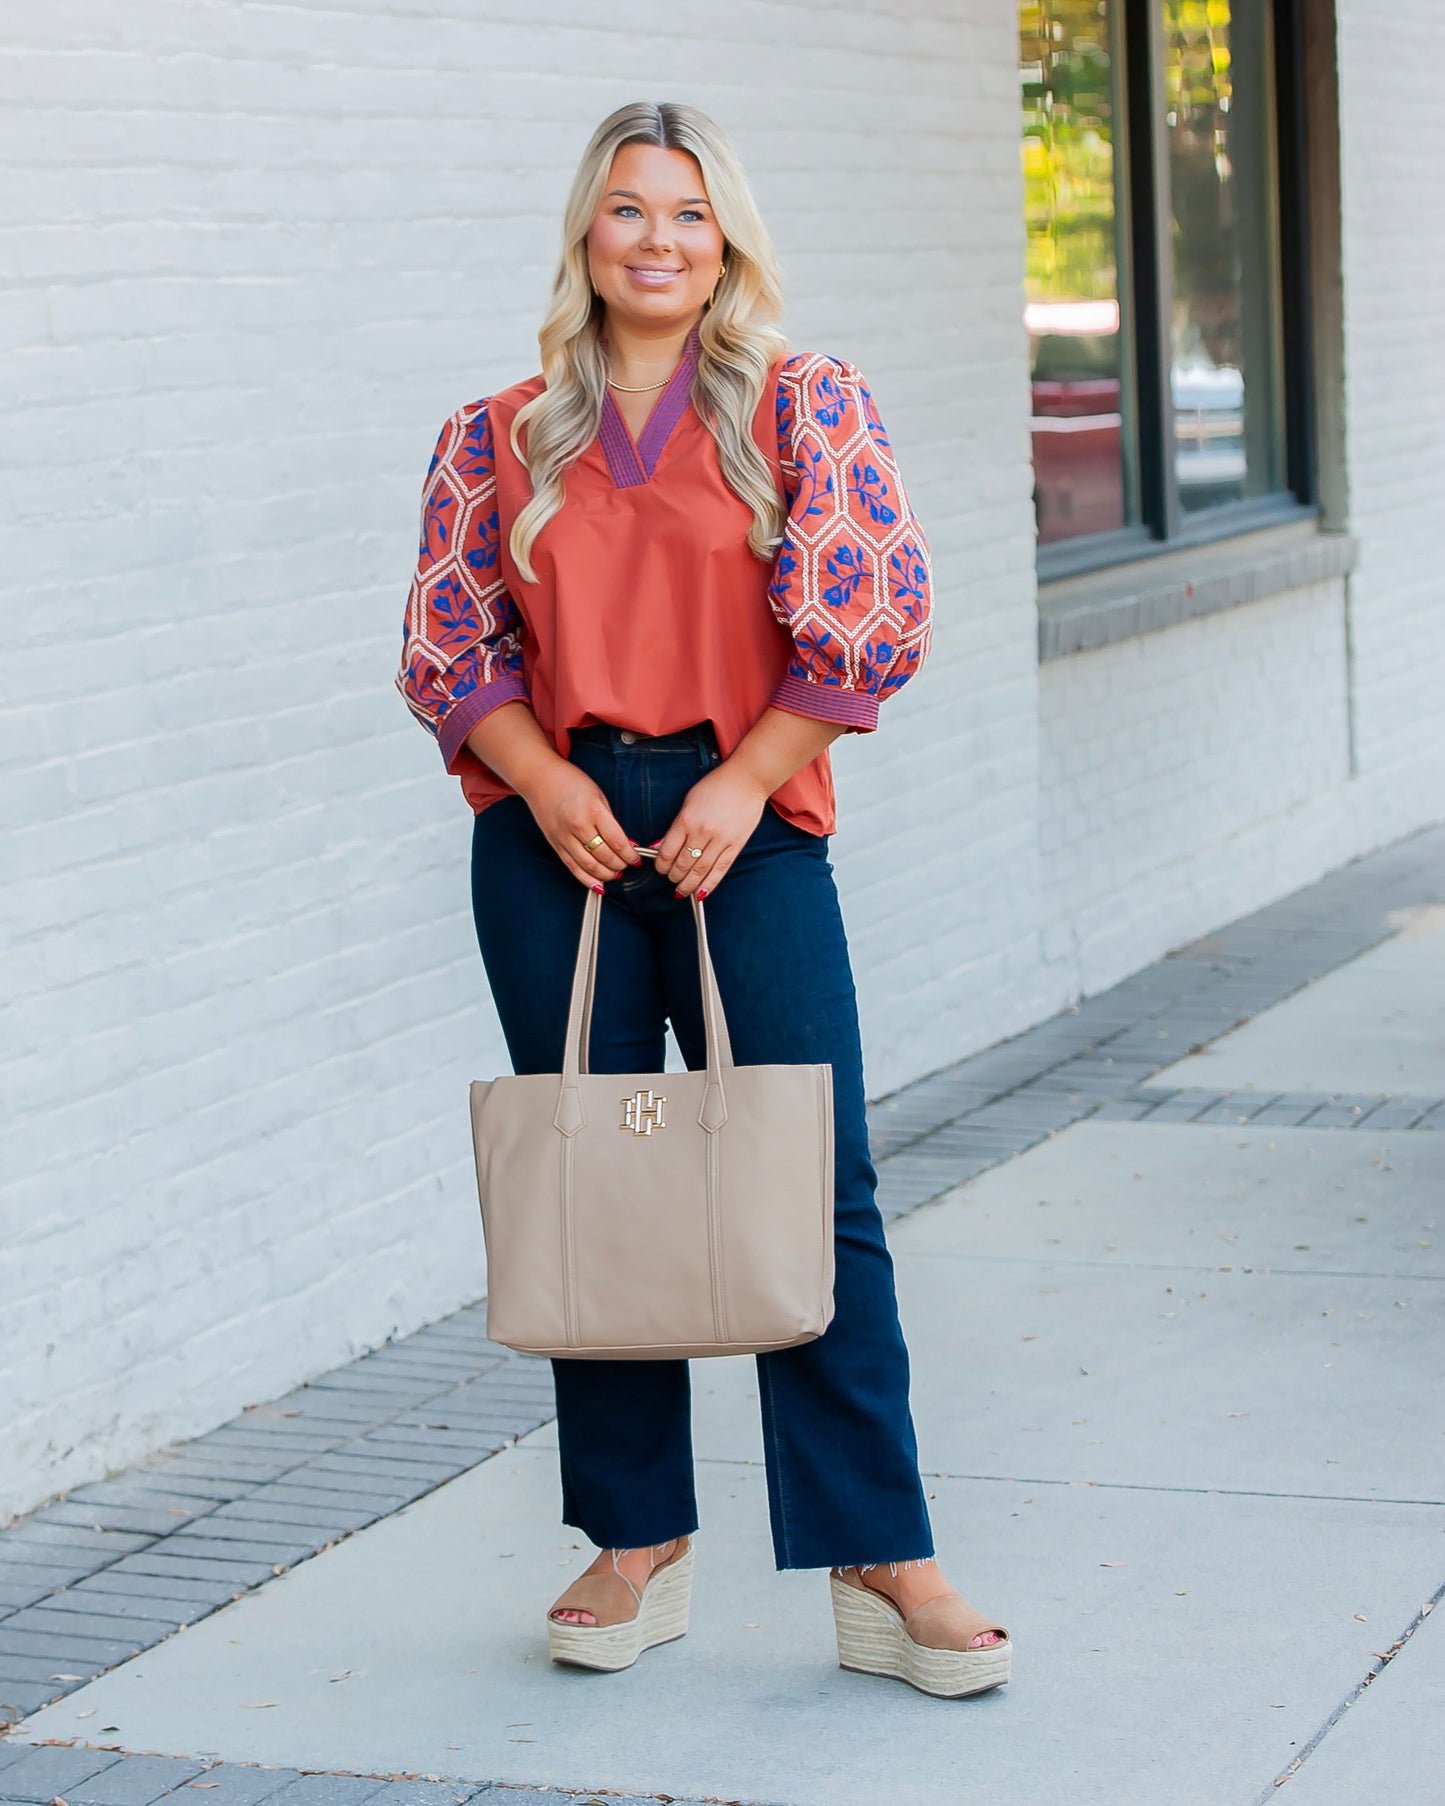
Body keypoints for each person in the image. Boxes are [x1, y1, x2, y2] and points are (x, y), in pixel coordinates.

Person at [397, 99, 1011, 1699]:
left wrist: (741, 781)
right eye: (626, 210)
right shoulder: (498, 430)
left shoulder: (802, 402)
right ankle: (635, 1537)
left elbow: (868, 617)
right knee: (595, 1175)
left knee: (814, 1176)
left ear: (723, 236)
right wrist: (543, 783)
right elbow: (450, 646)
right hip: (559, 834)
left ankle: (882, 1554)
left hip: (752, 815)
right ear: (585, 233)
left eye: (685, 211)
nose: (656, 239)